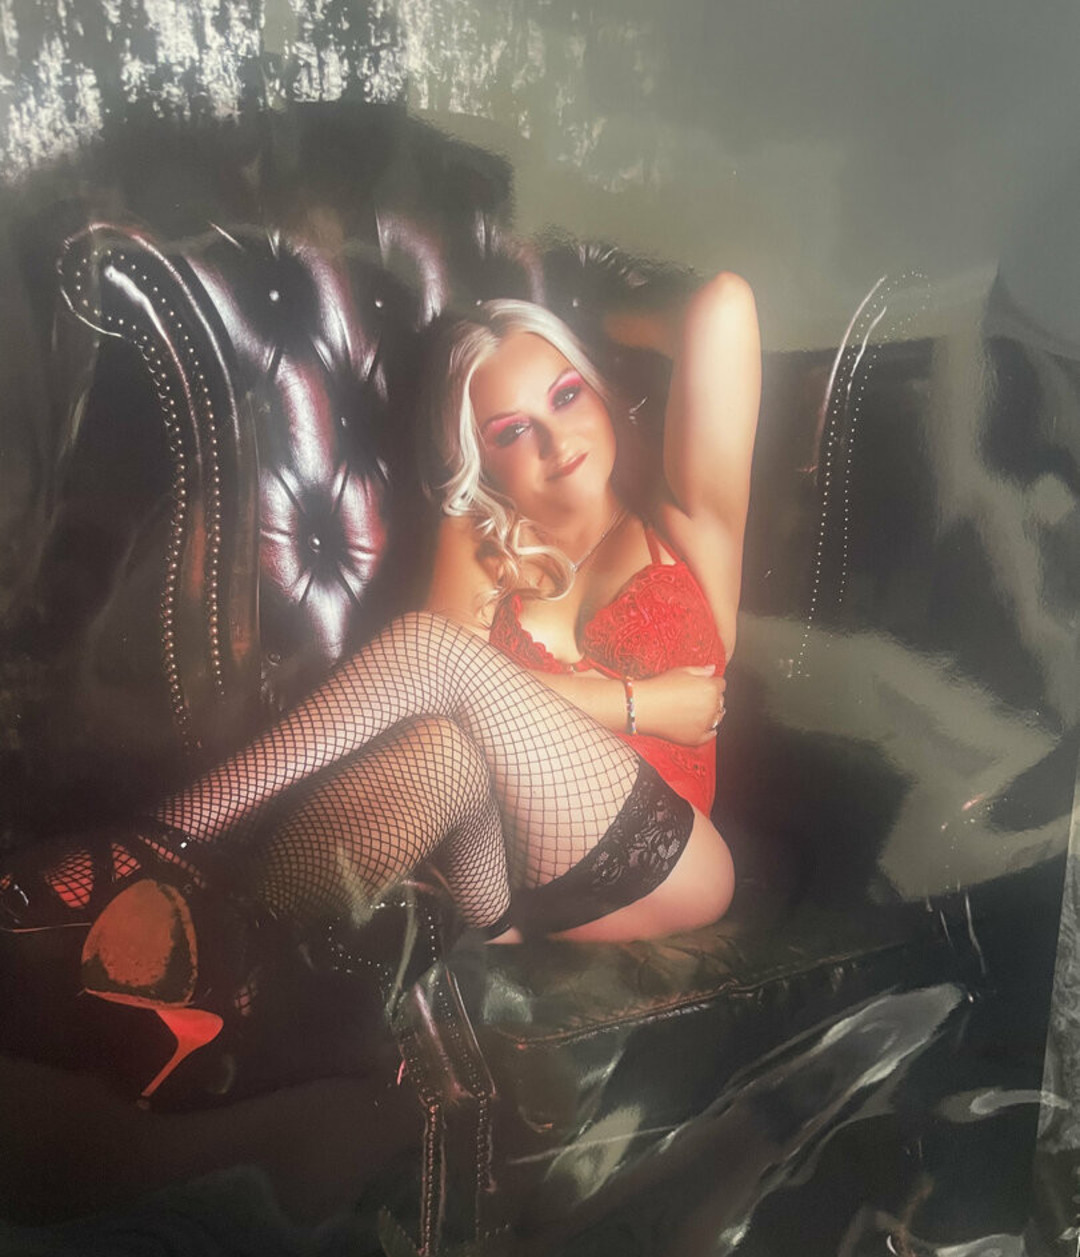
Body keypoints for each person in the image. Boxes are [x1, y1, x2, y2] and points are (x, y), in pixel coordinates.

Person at [1, 271, 760, 1092]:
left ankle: (160, 841)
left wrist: (587, 315)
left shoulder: (689, 522)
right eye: (512, 430)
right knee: (439, 747)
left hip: (673, 868)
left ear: (601, 391)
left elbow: (723, 302)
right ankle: (216, 966)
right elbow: (443, 707)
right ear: (481, 456)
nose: (554, 439)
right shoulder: (483, 540)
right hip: (507, 895)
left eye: (568, 394)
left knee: (438, 657)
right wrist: (641, 704)